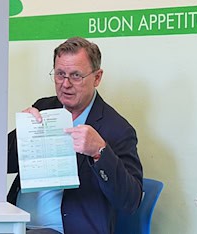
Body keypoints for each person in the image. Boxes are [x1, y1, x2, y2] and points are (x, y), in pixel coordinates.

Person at [7, 37, 143, 234]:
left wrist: (100, 152)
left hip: (63, 229)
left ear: (97, 77)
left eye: (76, 75)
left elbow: (130, 201)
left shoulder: (117, 129)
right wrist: (23, 132)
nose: (65, 84)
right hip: (15, 224)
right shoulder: (43, 107)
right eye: (60, 74)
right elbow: (0, 163)